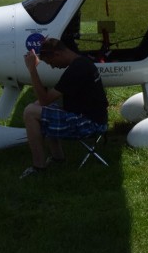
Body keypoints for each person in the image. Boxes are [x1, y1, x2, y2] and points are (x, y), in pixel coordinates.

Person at [20, 37, 109, 178]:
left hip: (90, 124)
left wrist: (32, 70)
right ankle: (57, 159)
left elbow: (44, 100)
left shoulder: (76, 70)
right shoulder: (82, 62)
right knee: (38, 107)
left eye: (51, 63)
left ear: (57, 55)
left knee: (30, 112)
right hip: (94, 117)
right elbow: (46, 101)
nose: (53, 67)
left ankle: (39, 167)